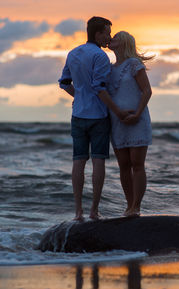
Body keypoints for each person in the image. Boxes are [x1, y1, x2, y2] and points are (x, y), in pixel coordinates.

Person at [58, 17, 130, 221]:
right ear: (97, 34)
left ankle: (78, 212)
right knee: (98, 161)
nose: (109, 37)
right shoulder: (100, 56)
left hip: (78, 114)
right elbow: (99, 88)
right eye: (107, 33)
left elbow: (64, 82)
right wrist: (117, 111)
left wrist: (78, 96)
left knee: (78, 162)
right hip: (98, 116)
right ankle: (94, 211)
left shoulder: (73, 53)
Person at [108, 31, 153, 217]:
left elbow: (147, 91)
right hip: (117, 121)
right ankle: (128, 205)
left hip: (137, 119)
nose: (111, 39)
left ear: (124, 42)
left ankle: (137, 206)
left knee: (137, 163)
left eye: (116, 37)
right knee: (124, 165)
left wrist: (138, 113)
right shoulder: (109, 68)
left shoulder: (134, 64)